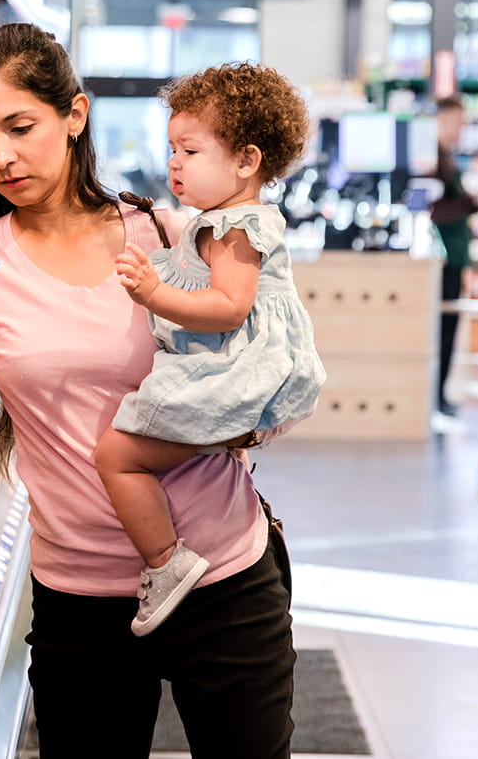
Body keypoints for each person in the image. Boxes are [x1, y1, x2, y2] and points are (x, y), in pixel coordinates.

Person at [0, 23, 298, 758]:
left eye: (20, 126)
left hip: (223, 574)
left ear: (75, 114)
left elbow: (261, 362)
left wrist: (249, 423)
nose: (1, 155)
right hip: (82, 604)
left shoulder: (167, 231)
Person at [95, 63, 325, 636]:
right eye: (172, 148)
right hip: (236, 365)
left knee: (117, 456)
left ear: (246, 161)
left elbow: (229, 307)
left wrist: (154, 292)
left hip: (237, 368)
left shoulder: (237, 228)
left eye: (190, 150)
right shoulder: (217, 220)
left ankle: (165, 560)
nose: (174, 162)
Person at [428, 94, 478, 417]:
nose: (461, 129)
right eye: (458, 121)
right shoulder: (432, 159)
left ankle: (440, 394)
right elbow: (434, 210)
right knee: (444, 329)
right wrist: (472, 202)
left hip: (454, 256)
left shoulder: (445, 156)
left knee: (449, 327)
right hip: (443, 258)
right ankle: (436, 398)